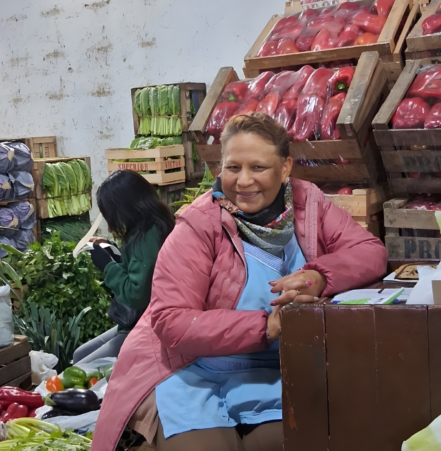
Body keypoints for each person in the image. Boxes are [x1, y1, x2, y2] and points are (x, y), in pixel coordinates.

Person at [92, 113, 388, 451]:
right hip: (196, 370)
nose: (244, 181)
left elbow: (369, 251)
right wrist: (266, 327)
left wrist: (319, 275)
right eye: (233, 168)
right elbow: (170, 320)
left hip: (280, 369)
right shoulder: (199, 224)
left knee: (296, 437)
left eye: (258, 168)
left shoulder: (309, 206)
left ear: (286, 167)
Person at [72, 170, 175, 364]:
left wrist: (108, 266)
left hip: (146, 324)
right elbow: (140, 269)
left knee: (82, 365)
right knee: (79, 355)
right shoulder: (149, 225)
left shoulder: (148, 236)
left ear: (125, 208)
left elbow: (136, 294)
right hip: (139, 320)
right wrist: (114, 253)